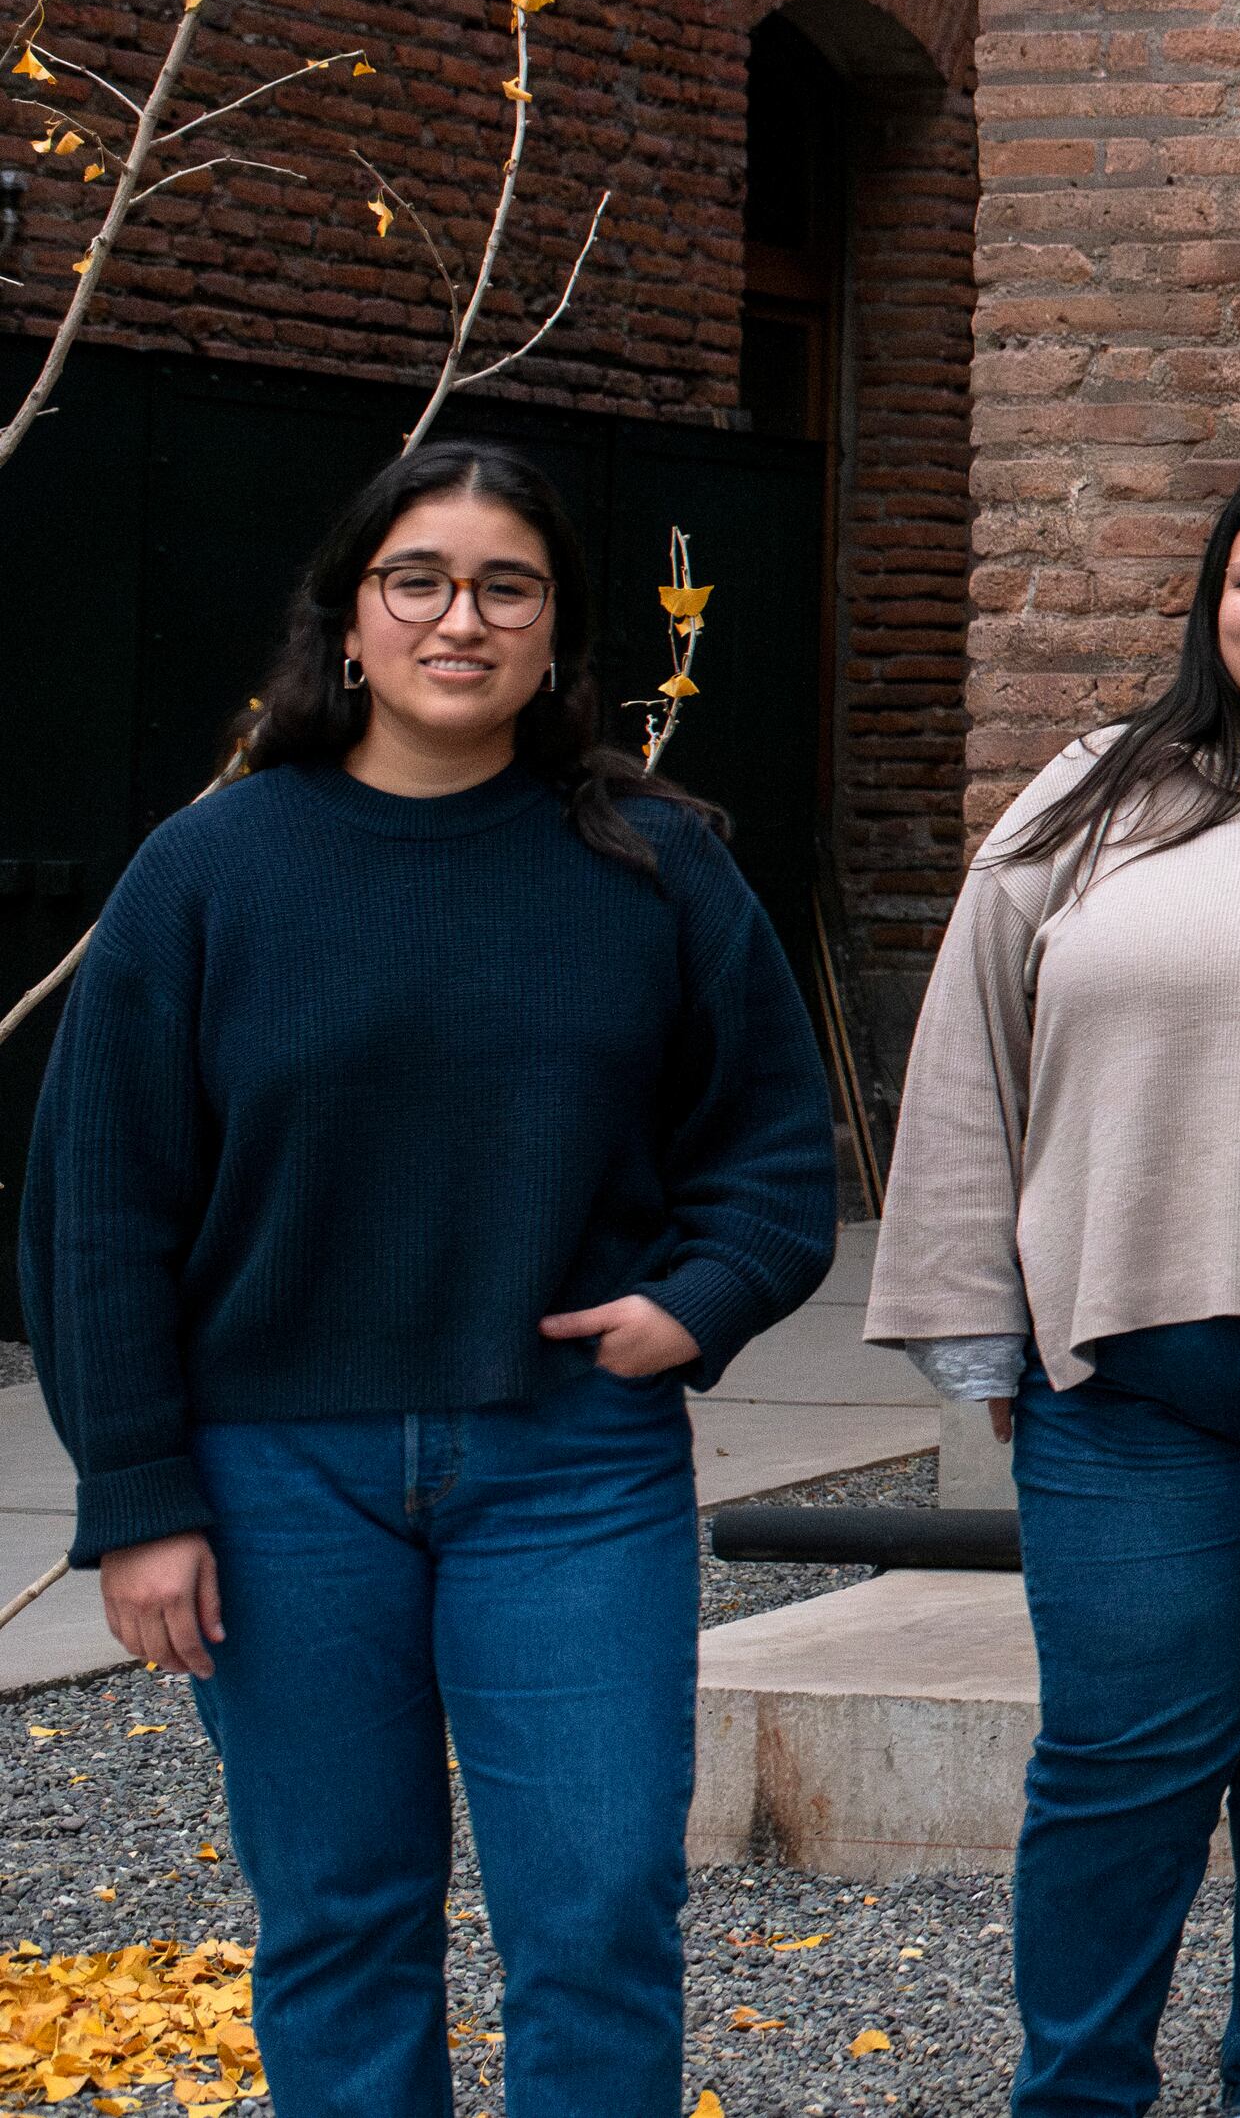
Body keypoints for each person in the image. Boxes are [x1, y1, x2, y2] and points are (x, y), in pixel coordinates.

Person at [23, 441, 839, 2118]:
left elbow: (771, 1144)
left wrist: (704, 1296)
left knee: (601, 1908)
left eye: (507, 586)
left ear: (557, 637)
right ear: (350, 617)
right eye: (420, 579)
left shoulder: (657, 866)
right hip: (274, 1477)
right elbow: (99, 1205)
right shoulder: (211, 871)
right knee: (339, 1918)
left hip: (567, 1464)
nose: (459, 617)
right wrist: (140, 1489)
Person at [873, 459, 1240, 2118]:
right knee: (1127, 1757)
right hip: (1135, 1387)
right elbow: (966, 1058)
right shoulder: (1086, 800)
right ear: (1213, 611)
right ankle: (1076, 2096)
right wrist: (969, 1318)